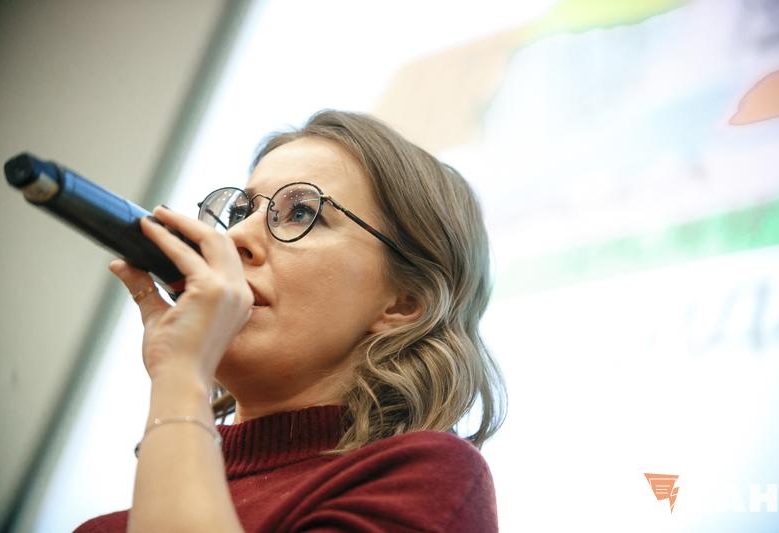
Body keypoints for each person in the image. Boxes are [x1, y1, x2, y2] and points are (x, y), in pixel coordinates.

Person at [75, 110, 506, 532]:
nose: (235, 237)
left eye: (301, 213)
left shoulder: (425, 477)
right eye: (240, 213)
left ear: (404, 303)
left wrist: (181, 374)